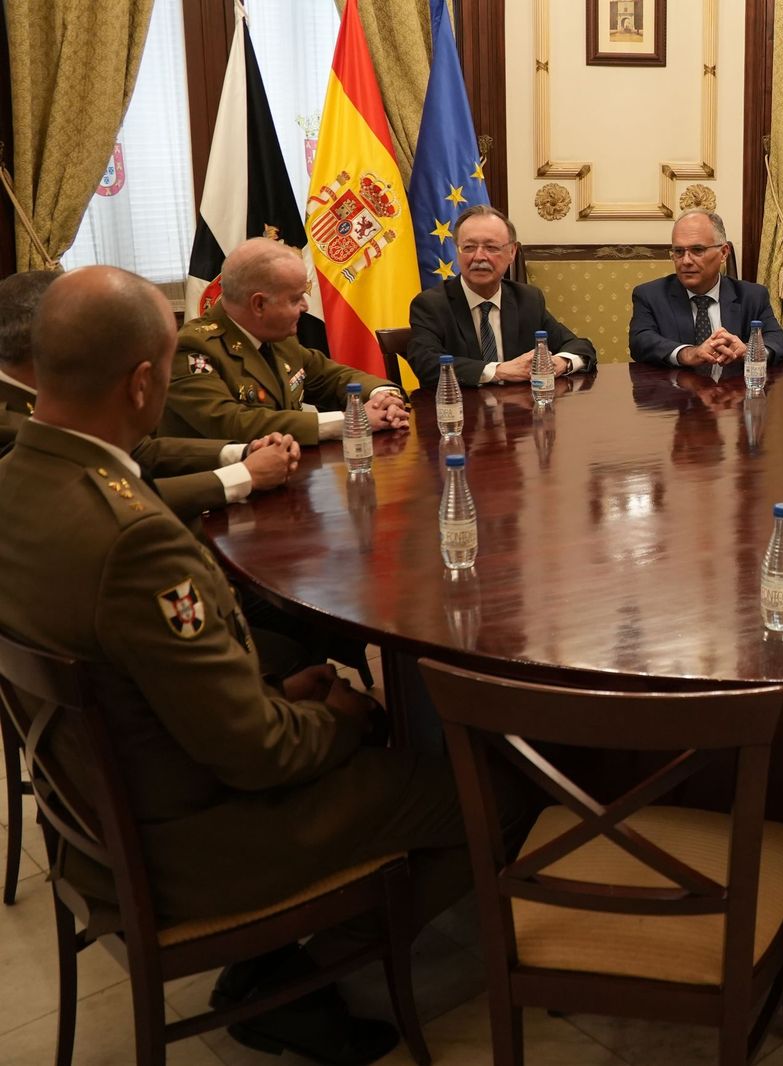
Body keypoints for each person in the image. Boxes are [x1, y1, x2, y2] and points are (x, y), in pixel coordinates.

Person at [0, 266, 533, 1065]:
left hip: (99, 815)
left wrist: (278, 692)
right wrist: (339, 720)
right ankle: (295, 981)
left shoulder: (19, 480)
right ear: (145, 382)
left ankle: (277, 963)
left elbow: (149, 680)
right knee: (490, 793)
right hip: (185, 843)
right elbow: (259, 754)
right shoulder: (133, 536)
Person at [0, 268, 298, 522]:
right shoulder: (12, 424)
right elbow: (104, 501)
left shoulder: (53, 393)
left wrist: (243, 452)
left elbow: (141, 450)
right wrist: (244, 475)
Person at [162, 237, 410, 446]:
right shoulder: (193, 349)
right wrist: (350, 420)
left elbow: (333, 377)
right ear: (258, 304)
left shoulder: (277, 337)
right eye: (295, 299)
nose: (305, 307)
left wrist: (383, 396)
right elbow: (234, 423)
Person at [407, 204, 597, 388]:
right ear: (457, 251)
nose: (479, 257)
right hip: (459, 413)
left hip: (519, 414)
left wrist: (560, 362)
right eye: (469, 247)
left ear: (512, 252)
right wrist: (499, 371)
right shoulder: (432, 304)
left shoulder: (527, 299)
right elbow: (427, 365)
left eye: (491, 247)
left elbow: (580, 346)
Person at [629, 208, 783, 368]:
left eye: (697, 250)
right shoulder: (650, 295)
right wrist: (687, 353)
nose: (686, 261)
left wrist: (749, 351)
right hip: (674, 391)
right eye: (678, 251)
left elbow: (779, 341)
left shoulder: (752, 296)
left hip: (735, 391)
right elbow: (640, 341)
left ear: (723, 253)